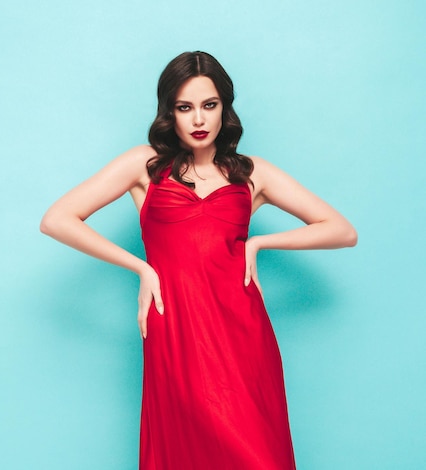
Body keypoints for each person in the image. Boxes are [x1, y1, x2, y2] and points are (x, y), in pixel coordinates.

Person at [40, 51, 357, 469]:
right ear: (169, 113)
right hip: (175, 327)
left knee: (259, 456)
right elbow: (57, 219)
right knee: (186, 451)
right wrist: (141, 268)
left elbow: (342, 230)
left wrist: (258, 245)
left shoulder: (251, 173)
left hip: (242, 334)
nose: (199, 119)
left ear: (224, 108)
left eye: (209, 105)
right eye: (184, 108)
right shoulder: (145, 166)